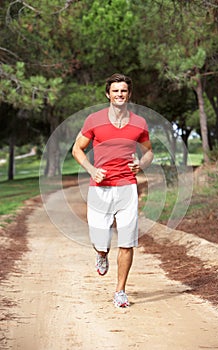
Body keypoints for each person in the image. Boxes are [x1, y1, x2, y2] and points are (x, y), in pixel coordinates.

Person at [72, 73, 153, 307]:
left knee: (127, 241)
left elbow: (149, 151)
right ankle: (101, 253)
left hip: (127, 187)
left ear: (129, 94)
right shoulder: (94, 120)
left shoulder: (139, 123)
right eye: (115, 90)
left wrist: (142, 164)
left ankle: (120, 291)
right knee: (100, 239)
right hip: (100, 188)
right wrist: (90, 169)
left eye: (124, 90)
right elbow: (77, 149)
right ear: (108, 94)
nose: (120, 94)